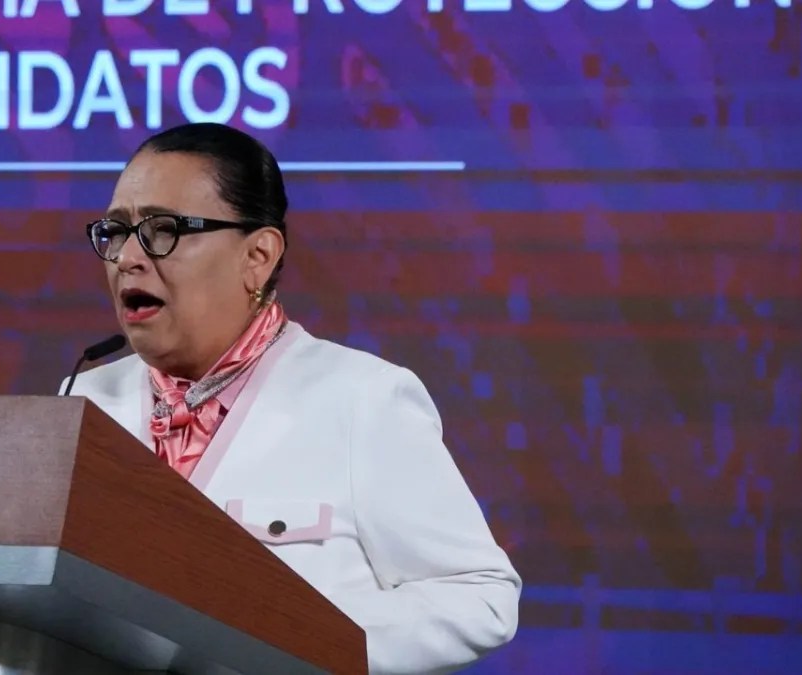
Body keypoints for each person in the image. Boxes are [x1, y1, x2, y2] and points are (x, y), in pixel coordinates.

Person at [63, 122, 520, 674]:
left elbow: (479, 595)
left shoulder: (362, 399)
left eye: (163, 230)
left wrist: (299, 640)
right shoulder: (83, 399)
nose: (128, 258)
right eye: (116, 231)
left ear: (257, 255)